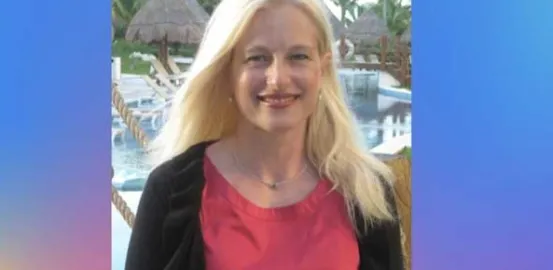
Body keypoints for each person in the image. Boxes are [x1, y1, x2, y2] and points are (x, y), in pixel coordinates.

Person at [125, 0, 405, 269]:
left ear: (322, 69)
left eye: (298, 56)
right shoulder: (170, 191)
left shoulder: (367, 194)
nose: (278, 78)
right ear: (228, 72)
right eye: (257, 58)